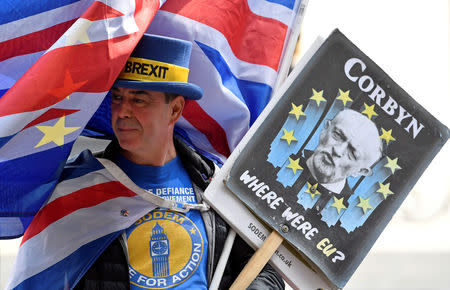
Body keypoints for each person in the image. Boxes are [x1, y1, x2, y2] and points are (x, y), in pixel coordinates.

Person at [7, 34, 284, 290]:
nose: (123, 111)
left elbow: (267, 270)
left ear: (174, 109)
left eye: (139, 99)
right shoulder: (77, 190)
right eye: (118, 97)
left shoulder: (217, 188)